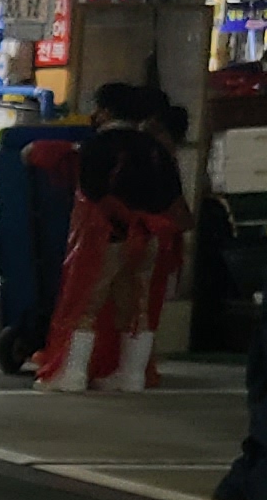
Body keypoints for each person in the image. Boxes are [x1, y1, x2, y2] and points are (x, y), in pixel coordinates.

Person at [37, 83, 190, 392]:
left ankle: (74, 374)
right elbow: (172, 194)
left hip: (105, 235)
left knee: (87, 302)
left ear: (106, 111)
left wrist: (119, 219)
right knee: (137, 306)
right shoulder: (155, 149)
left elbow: (92, 190)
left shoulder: (98, 145)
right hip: (151, 235)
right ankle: (132, 375)